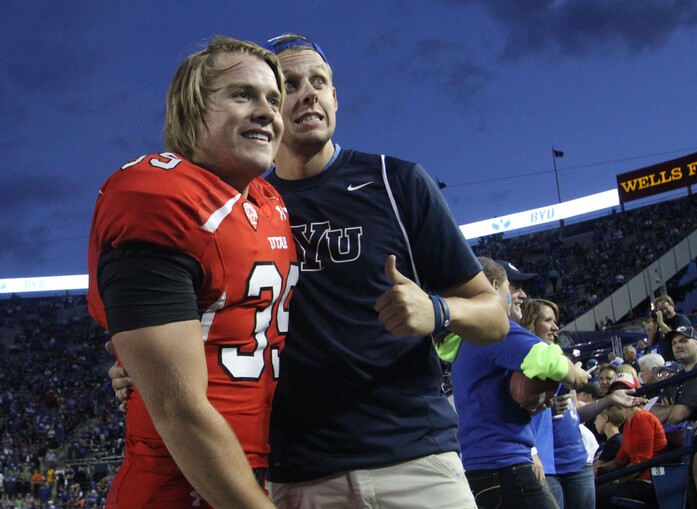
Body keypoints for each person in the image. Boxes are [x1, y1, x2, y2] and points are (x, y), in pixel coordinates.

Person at [259, 33, 509, 509]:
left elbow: (495, 316)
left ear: (335, 98)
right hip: (300, 478)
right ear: (269, 107)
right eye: (289, 84)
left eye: (319, 81)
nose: (308, 92)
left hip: (417, 464)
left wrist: (436, 310)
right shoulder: (247, 206)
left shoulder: (397, 182)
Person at [90, 36, 294, 509]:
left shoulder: (269, 203)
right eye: (242, 94)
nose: (267, 111)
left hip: (254, 471)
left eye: (273, 99)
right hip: (178, 484)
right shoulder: (154, 194)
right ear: (192, 108)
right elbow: (177, 408)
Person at [443, 258, 589, 509]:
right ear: (494, 286)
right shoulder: (495, 330)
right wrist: (580, 376)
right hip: (505, 465)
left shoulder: (463, 337)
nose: (522, 295)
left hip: (481, 466)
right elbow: (550, 362)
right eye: (513, 288)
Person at [520, 299, 646, 509]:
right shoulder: (523, 366)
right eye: (548, 320)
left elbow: (574, 415)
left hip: (578, 463)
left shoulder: (560, 361)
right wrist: (544, 409)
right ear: (531, 323)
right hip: (548, 466)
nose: (555, 327)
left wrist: (609, 400)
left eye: (555, 321)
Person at [594, 373, 667, 509]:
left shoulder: (642, 417)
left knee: (597, 493)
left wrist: (616, 480)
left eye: (626, 390)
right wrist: (598, 470)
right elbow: (620, 459)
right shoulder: (628, 421)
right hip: (635, 481)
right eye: (617, 392)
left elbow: (641, 462)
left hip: (649, 483)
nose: (622, 395)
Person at [649, 325, 697, 426]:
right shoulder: (676, 378)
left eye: (684, 341)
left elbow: (678, 415)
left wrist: (668, 409)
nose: (678, 345)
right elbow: (652, 414)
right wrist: (673, 408)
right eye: (674, 343)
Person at [651, 294, 692, 361]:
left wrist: (661, 323)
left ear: (672, 306)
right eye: (661, 310)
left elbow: (676, 337)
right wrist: (655, 322)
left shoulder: (681, 319)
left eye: (665, 308)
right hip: (668, 361)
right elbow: (650, 342)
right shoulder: (660, 323)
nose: (664, 312)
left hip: (682, 360)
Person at [592, 406, 625, 470]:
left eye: (596, 418)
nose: (594, 422)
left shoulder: (616, 442)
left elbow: (598, 466)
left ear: (605, 418)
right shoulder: (604, 443)